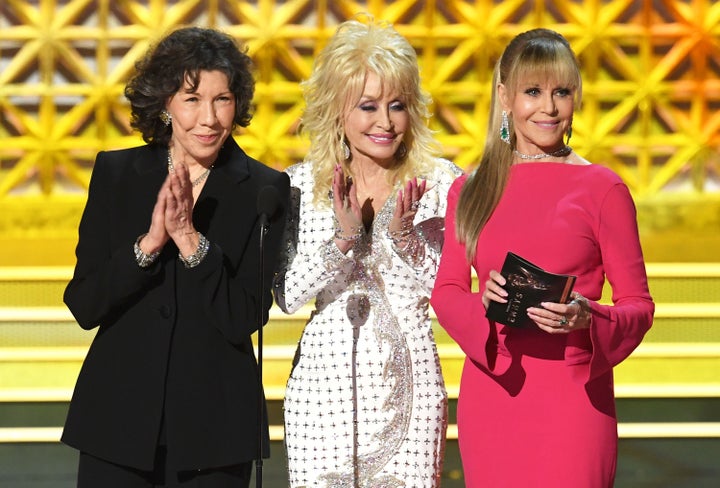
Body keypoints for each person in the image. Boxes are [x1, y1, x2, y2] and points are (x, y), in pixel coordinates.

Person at [62, 26, 289, 487]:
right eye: (191, 99)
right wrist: (148, 246)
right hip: (117, 423)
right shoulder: (116, 173)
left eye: (222, 100)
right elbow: (84, 304)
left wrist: (190, 242)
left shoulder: (265, 189)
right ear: (164, 103)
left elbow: (244, 314)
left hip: (215, 431)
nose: (209, 118)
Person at [430, 28, 655, 487]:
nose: (548, 108)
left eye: (561, 92)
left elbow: (638, 305)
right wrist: (484, 301)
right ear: (505, 97)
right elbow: (448, 291)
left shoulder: (603, 189)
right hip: (495, 393)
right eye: (533, 92)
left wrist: (586, 316)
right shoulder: (470, 188)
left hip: (573, 401)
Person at [273, 17, 463, 487]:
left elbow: (449, 291)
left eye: (397, 105)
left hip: (410, 390)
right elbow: (287, 295)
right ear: (336, 108)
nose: (385, 122)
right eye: (368, 106)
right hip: (322, 393)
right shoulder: (301, 185)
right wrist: (342, 238)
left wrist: (405, 238)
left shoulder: (441, 183)